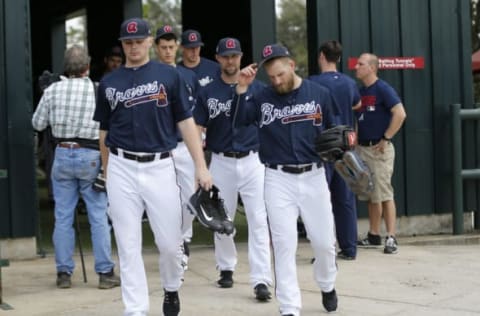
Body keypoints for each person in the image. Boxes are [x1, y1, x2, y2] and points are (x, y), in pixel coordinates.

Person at [93, 18, 212, 316]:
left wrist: (201, 166)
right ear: (123, 45)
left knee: (171, 244)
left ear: (149, 42)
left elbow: (186, 122)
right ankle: (135, 309)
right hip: (121, 165)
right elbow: (104, 133)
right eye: (128, 42)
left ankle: (171, 287)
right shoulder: (109, 83)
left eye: (138, 41)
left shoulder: (168, 76)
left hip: (160, 164)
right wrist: (107, 172)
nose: (133, 46)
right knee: (128, 242)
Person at [233, 44, 339, 315]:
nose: (277, 81)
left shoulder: (320, 94)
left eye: (281, 74)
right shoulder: (262, 98)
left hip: (314, 175)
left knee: (324, 243)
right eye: (272, 77)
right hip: (277, 178)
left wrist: (340, 150)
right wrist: (242, 88)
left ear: (292, 65)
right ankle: (290, 306)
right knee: (284, 244)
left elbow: (337, 130)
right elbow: (239, 120)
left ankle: (327, 283)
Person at [31, 45, 120, 290]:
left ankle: (63, 273)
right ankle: (104, 273)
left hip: (62, 154)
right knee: (98, 215)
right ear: (88, 67)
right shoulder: (99, 90)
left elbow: (37, 124)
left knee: (63, 216)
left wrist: (47, 95)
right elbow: (113, 125)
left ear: (65, 68)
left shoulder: (52, 90)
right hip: (91, 155)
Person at [193, 37, 272, 301]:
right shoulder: (207, 91)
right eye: (226, 56)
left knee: (259, 219)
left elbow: (268, 124)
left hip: (252, 160)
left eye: (234, 56)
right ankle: (226, 267)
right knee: (222, 218)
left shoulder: (258, 89)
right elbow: (196, 128)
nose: (230, 61)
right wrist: (200, 165)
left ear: (241, 57)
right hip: (221, 159)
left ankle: (261, 279)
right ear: (217, 58)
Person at [308, 40, 361, 260]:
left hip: (322, 149)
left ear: (321, 56)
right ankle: (349, 248)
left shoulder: (312, 83)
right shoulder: (349, 83)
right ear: (338, 58)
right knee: (345, 200)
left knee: (319, 203)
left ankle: (324, 250)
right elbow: (357, 106)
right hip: (345, 148)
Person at [154, 24, 199, 270]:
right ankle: (173, 243)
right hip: (161, 146)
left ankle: (183, 237)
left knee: (190, 198)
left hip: (184, 145)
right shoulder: (150, 74)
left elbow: (196, 112)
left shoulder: (187, 76)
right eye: (164, 47)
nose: (168, 51)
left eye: (172, 47)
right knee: (164, 199)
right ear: (157, 48)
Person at [354, 53, 407, 254]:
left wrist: (386, 138)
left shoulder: (383, 89)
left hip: (379, 149)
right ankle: (374, 235)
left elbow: (400, 114)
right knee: (370, 193)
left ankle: (391, 237)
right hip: (363, 149)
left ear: (372, 68)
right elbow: (359, 119)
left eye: (361, 64)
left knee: (384, 193)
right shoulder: (360, 92)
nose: (356, 67)